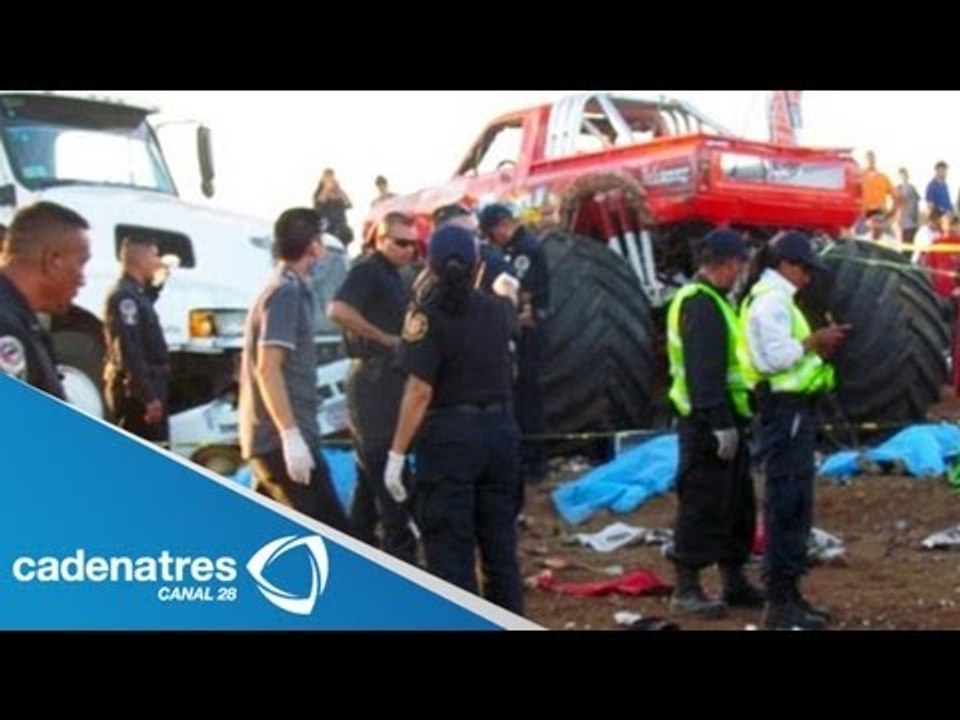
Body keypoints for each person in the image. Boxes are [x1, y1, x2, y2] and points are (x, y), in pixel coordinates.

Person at [385, 224, 523, 614]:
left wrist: (396, 455)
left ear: (429, 265)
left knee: (451, 554)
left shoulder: (425, 317)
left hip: (449, 441)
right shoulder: (498, 312)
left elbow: (419, 391)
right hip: (500, 435)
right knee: (500, 551)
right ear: (478, 265)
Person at [738, 231, 848, 630]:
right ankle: (781, 600)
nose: (807, 277)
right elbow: (774, 359)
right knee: (787, 502)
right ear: (784, 265)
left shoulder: (776, 299)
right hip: (785, 413)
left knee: (795, 502)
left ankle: (789, 595)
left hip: (791, 412)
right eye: (803, 269)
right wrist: (814, 342)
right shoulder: (772, 302)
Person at [666, 229, 763, 619]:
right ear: (726, 263)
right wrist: (718, 421)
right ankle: (686, 586)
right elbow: (703, 371)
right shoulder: (701, 305)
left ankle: (734, 578)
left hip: (728, 420)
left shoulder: (718, 301)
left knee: (736, 504)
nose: (741, 271)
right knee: (702, 504)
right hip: (707, 425)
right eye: (739, 263)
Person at [238, 207, 351, 532]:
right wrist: (290, 436)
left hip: (278, 438)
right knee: (335, 539)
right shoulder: (285, 292)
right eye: (320, 240)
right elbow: (268, 367)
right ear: (313, 246)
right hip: (280, 441)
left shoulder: (285, 288)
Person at [328, 211, 419, 563]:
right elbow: (337, 310)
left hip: (387, 378)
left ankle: (359, 545)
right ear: (380, 240)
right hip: (373, 379)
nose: (408, 250)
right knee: (385, 472)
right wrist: (384, 339)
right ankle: (400, 556)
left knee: (371, 476)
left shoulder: (396, 275)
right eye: (400, 242)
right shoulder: (368, 270)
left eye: (413, 243)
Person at [479, 203, 550, 483]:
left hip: (529, 332)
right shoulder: (514, 249)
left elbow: (523, 294)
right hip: (520, 329)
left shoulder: (526, 250)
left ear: (502, 225)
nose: (490, 240)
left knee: (528, 396)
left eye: (491, 233)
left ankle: (535, 461)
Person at [0, 202, 90, 399]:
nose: (83, 280)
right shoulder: (6, 325)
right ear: (52, 261)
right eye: (81, 264)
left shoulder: (22, 319)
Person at [102, 237, 171, 443]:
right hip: (138, 394)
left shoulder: (136, 295)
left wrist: (159, 283)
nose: (158, 261)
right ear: (140, 259)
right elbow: (129, 349)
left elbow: (145, 307)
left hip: (149, 385)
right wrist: (148, 397)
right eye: (154, 255)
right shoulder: (124, 297)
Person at [312, 168, 354, 248]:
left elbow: (349, 204)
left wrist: (339, 189)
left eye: (332, 176)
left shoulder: (338, 193)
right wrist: (327, 187)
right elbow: (319, 204)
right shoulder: (319, 193)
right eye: (328, 176)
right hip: (327, 229)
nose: (331, 179)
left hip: (341, 228)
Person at [895, 167, 921, 248]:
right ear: (899, 177)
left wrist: (917, 218)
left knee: (911, 244)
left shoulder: (912, 188)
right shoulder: (897, 188)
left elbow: (917, 202)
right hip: (902, 221)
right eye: (902, 175)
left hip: (912, 221)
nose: (904, 176)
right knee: (902, 245)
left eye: (905, 174)